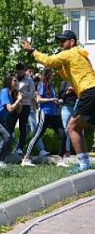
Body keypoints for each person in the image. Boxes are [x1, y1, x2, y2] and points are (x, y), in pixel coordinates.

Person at [22, 30, 95, 173]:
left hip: (88, 92)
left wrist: (32, 50)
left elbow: (48, 61)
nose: (60, 44)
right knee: (77, 128)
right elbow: (69, 76)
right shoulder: (79, 54)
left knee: (72, 127)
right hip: (92, 91)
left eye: (63, 41)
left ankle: (84, 165)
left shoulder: (70, 53)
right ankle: (85, 163)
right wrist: (61, 68)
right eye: (59, 41)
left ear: (72, 42)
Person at [20, 67, 68, 167]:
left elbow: (51, 99)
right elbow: (39, 100)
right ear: (48, 74)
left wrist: (57, 101)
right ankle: (25, 159)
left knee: (63, 135)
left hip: (54, 114)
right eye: (52, 72)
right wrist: (51, 99)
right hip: (45, 114)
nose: (54, 74)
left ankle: (60, 160)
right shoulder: (42, 84)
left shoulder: (51, 85)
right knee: (37, 135)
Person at [7, 63, 36, 156]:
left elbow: (32, 93)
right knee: (10, 126)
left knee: (22, 127)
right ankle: (8, 147)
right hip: (15, 105)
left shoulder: (29, 80)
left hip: (25, 105)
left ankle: (20, 148)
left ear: (24, 71)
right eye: (17, 71)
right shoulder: (14, 79)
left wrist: (23, 95)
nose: (18, 73)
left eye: (20, 71)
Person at [24, 65, 50, 157]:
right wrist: (33, 94)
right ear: (25, 71)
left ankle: (16, 149)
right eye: (30, 71)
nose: (32, 74)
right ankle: (41, 150)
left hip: (32, 108)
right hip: (26, 109)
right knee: (35, 128)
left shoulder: (33, 82)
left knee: (26, 131)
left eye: (33, 72)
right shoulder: (23, 82)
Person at [59, 80, 77, 157]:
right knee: (66, 129)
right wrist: (67, 92)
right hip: (66, 108)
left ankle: (78, 150)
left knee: (78, 129)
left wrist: (75, 90)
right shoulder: (64, 82)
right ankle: (67, 150)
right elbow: (60, 97)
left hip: (75, 107)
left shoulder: (76, 81)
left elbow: (81, 95)